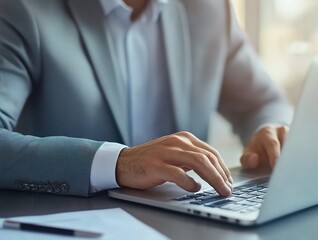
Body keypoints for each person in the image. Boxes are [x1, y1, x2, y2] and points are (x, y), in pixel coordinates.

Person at [0, 0, 293, 197]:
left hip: (189, 221)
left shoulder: (209, 8)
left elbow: (264, 103)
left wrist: (269, 131)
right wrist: (120, 163)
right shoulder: (21, 10)